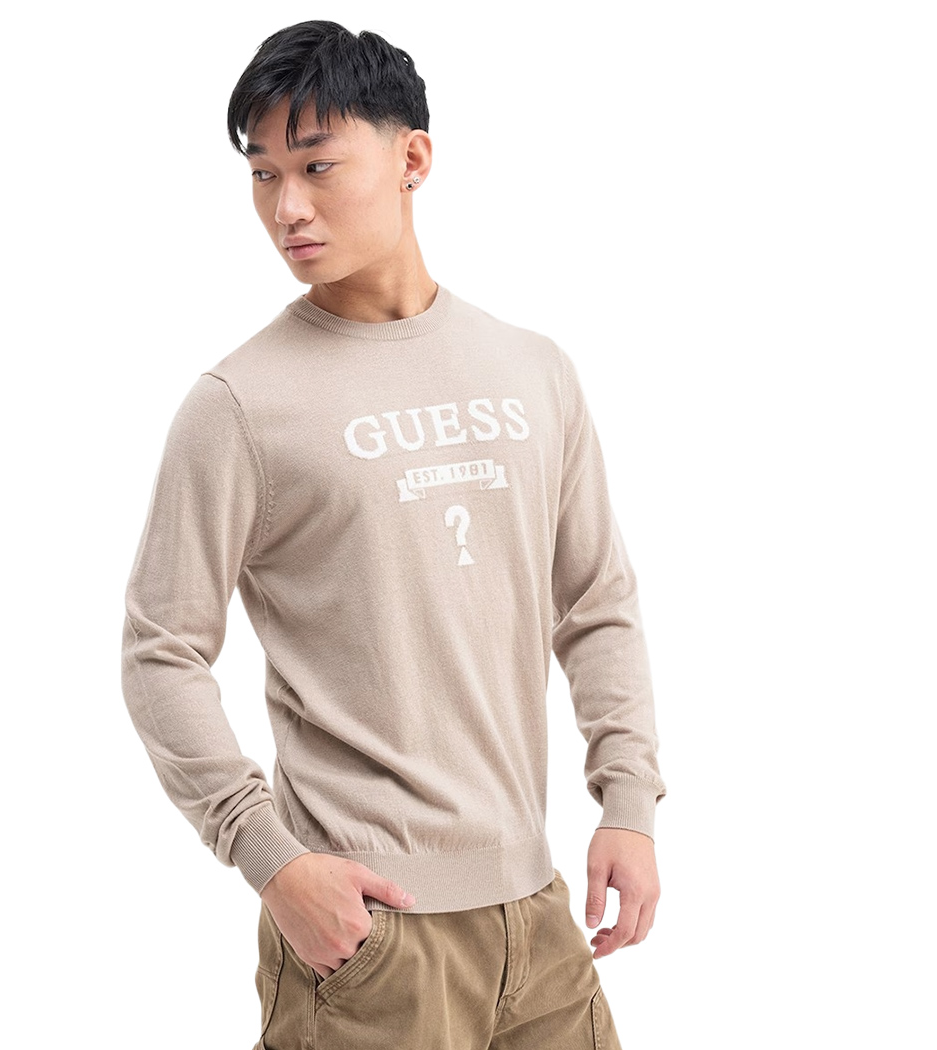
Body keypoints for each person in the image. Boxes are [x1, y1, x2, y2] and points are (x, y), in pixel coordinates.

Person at [121, 19, 666, 1049]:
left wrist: (629, 803)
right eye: (262, 173)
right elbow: (161, 649)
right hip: (368, 935)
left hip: (540, 915)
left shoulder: (533, 369)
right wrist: (272, 861)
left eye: (317, 165)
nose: (287, 206)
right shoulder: (241, 404)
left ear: (412, 157)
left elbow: (596, 602)